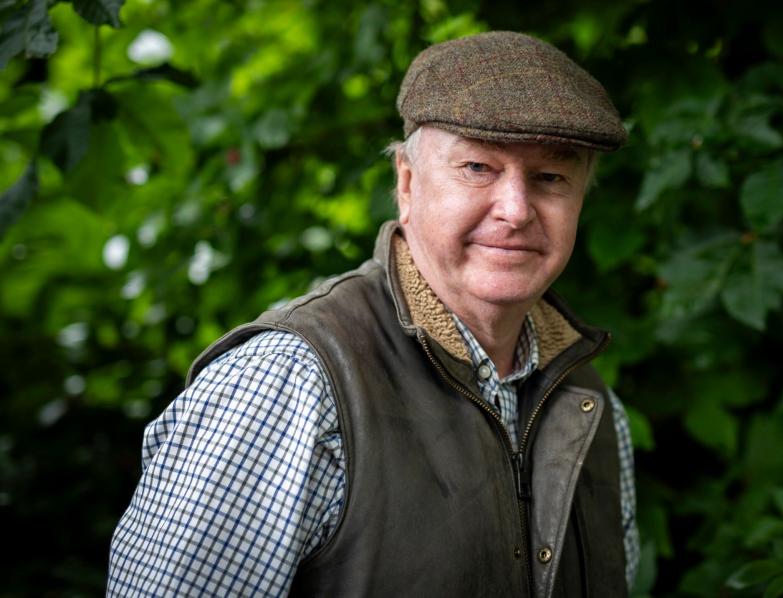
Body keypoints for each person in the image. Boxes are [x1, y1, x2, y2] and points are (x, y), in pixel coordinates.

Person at [108, 30, 639, 597]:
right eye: (478, 168)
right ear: (407, 185)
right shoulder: (289, 380)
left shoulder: (591, 405)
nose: (514, 210)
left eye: (551, 177)